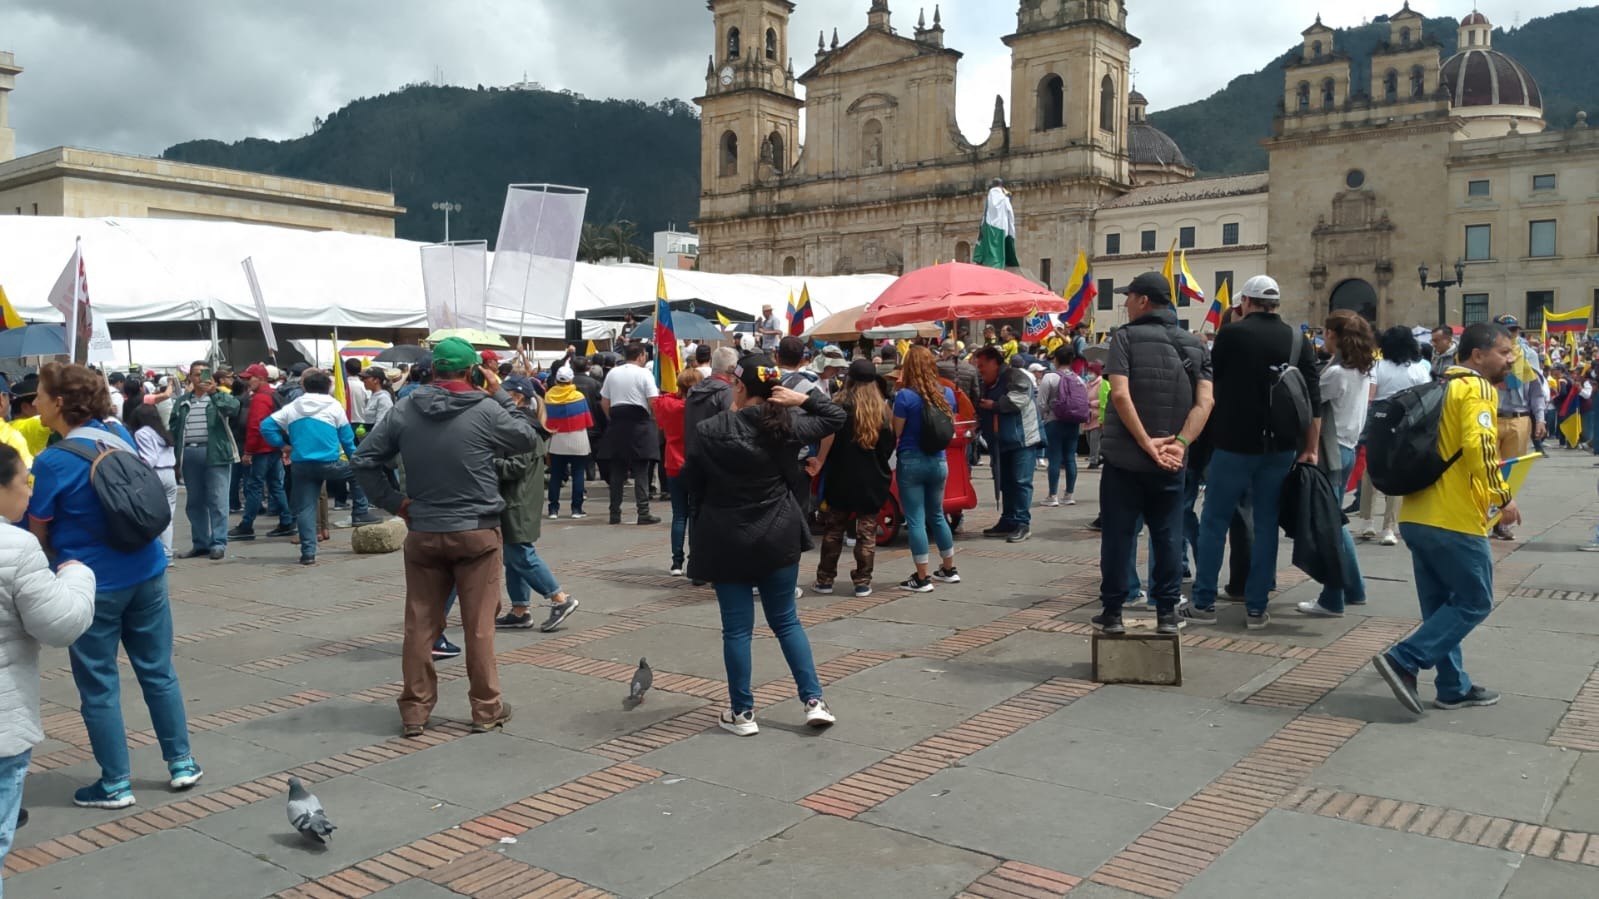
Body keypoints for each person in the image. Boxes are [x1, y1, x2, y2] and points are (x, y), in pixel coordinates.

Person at [28, 363, 202, 810]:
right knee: (158, 670)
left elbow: (39, 526)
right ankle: (182, 762)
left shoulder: (52, 460)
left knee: (99, 684)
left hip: (91, 585)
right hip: (146, 570)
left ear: (60, 402)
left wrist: (55, 559)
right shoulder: (116, 436)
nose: (35, 403)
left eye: (42, 395)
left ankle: (115, 783)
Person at [352, 337, 538, 737]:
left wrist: (395, 503)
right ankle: (486, 708)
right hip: (475, 530)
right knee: (479, 626)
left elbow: (364, 460)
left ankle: (415, 711)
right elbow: (527, 438)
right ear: (472, 371)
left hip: (424, 529)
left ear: (432, 370)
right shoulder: (487, 408)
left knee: (420, 625)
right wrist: (501, 393)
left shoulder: (403, 409)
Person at [682, 355, 845, 736]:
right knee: (786, 620)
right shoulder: (783, 426)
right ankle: (813, 701)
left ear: (737, 386)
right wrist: (803, 399)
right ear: (773, 391)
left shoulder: (709, 430)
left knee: (737, 630)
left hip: (727, 536)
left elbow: (693, 483)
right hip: (778, 532)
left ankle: (742, 713)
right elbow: (836, 419)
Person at [1372, 323, 1520, 714]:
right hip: (1454, 518)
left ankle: (1453, 686)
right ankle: (1404, 659)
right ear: (1478, 355)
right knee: (1475, 601)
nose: (1511, 358)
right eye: (1504, 351)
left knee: (1440, 607)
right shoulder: (1476, 389)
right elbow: (1479, 445)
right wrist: (1502, 496)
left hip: (1417, 515)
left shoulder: (1440, 385)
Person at [1185, 275, 1321, 630]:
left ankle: (1203, 603)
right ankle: (1257, 608)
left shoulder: (1232, 335)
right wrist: (1311, 448)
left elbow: (1214, 385)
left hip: (1233, 442)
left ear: (1245, 301)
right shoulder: (1296, 338)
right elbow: (1313, 399)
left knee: (1214, 521)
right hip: (1280, 445)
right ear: (1275, 303)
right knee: (1265, 526)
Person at [1091, 271, 1215, 636]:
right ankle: (1166, 613)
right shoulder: (1196, 344)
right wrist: (1179, 444)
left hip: (1125, 458)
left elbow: (1119, 394)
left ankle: (1113, 613)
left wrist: (1145, 442)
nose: (1126, 303)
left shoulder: (1124, 338)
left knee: (1118, 536)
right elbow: (1206, 401)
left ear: (1143, 301)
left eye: (1129, 297)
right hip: (1172, 461)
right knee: (1167, 534)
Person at [0, 441, 94, 861]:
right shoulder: (15, 547)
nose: (29, 492)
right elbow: (60, 625)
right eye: (24, 481)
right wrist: (78, 577)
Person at [1299, 311, 1374, 617]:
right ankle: (1354, 588)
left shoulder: (1336, 374)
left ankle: (1333, 596)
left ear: (1333, 335)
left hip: (1330, 450)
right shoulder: (1361, 369)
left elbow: (1311, 403)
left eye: (1326, 333)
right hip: (1347, 448)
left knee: (1330, 527)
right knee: (1337, 522)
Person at [493, 377, 579, 631]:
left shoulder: (520, 426)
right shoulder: (525, 423)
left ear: (516, 397)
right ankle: (520, 609)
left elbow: (515, 467)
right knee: (514, 556)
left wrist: (486, 462)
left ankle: (559, 598)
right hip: (518, 500)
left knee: (520, 554)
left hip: (516, 501)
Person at [811, 359, 894, 598]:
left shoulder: (838, 406)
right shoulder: (883, 410)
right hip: (872, 479)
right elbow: (888, 447)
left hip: (841, 476)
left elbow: (826, 438)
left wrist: (822, 461)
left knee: (833, 530)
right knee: (867, 533)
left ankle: (825, 579)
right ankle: (863, 582)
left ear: (849, 379)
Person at [260, 369, 357, 566]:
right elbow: (347, 439)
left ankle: (308, 553)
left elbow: (266, 426)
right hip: (331, 463)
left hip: (302, 464)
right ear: (328, 387)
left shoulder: (293, 407)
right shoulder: (335, 406)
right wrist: (356, 459)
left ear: (304, 386)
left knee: (305, 509)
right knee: (358, 472)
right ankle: (362, 509)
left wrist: (283, 445)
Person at [893, 346, 962, 590]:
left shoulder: (904, 396)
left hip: (911, 460)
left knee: (915, 520)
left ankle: (921, 577)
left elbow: (897, 431)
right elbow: (950, 425)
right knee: (937, 515)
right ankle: (948, 568)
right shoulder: (946, 394)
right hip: (939, 460)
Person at [1359, 326, 1432, 546]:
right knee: (1397, 471)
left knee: (1371, 469)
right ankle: (1389, 527)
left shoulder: (1377, 366)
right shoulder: (1419, 369)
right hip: (1406, 420)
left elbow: (1369, 397)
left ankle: (1366, 521)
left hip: (1378, 419)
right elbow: (1425, 398)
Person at [170, 360, 241, 561]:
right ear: (190, 378)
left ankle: (218, 542)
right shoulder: (182, 401)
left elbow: (234, 408)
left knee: (218, 500)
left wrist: (214, 392)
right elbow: (174, 429)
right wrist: (175, 458)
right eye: (196, 374)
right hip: (190, 454)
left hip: (216, 453)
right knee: (195, 502)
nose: (200, 377)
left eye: (204, 373)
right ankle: (200, 543)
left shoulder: (220, 396)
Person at [972, 345, 1045, 542]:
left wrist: (994, 405)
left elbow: (1017, 401)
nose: (979, 369)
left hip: (1022, 440)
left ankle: (1022, 523)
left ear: (994, 362)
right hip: (999, 441)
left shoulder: (1016, 377)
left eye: (982, 365)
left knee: (1021, 482)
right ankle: (1008, 520)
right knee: (1005, 482)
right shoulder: (988, 382)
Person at [1490, 315, 1547, 530]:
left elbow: (1536, 391)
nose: (1511, 335)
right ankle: (1485, 518)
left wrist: (1540, 419)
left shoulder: (1528, 355)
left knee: (1511, 473)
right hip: (1493, 415)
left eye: (1513, 331)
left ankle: (1503, 522)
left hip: (1519, 418)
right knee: (1489, 470)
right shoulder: (1487, 353)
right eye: (1506, 331)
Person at [231, 364, 295, 543]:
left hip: (261, 449)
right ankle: (286, 521)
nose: (246, 381)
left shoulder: (260, 399)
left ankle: (247, 525)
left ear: (260, 378)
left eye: (249, 378)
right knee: (275, 485)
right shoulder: (273, 394)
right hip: (274, 447)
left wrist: (248, 452)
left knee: (254, 486)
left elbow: (255, 427)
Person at [599, 343, 662, 526]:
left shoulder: (613, 373)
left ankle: (614, 513)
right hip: (639, 422)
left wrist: (613, 418)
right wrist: (657, 422)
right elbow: (653, 401)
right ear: (641, 355)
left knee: (617, 471)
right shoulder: (644, 374)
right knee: (641, 470)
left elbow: (604, 402)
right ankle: (643, 512)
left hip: (618, 422)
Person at [123, 383, 180, 564]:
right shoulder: (164, 433)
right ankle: (168, 553)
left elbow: (150, 458)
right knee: (168, 516)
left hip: (154, 474)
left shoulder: (142, 433)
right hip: (170, 474)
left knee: (153, 516)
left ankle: (159, 554)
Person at [653, 368, 701, 576]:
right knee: (695, 514)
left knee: (679, 514)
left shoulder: (668, 405)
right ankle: (693, 560)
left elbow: (660, 401)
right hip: (695, 463)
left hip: (673, 462)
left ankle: (676, 562)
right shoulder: (696, 408)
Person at [545, 366, 594, 519]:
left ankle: (553, 509)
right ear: (571, 379)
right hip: (578, 439)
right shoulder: (578, 396)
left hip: (556, 439)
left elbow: (546, 420)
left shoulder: (549, 396)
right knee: (578, 474)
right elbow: (587, 419)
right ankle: (576, 509)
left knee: (556, 475)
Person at [1040, 345, 1087, 506]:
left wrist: (1046, 415)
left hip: (1054, 422)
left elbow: (1041, 403)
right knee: (1070, 457)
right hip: (1073, 423)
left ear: (1056, 359)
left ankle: (1052, 496)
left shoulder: (1050, 378)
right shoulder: (1079, 379)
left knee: (1054, 458)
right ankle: (1069, 495)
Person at [344, 358, 370, 427]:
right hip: (362, 422)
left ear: (345, 369)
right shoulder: (365, 386)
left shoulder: (341, 386)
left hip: (344, 422)